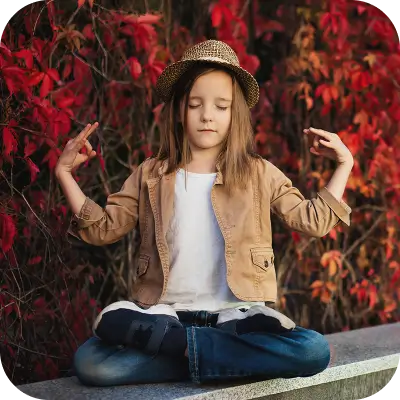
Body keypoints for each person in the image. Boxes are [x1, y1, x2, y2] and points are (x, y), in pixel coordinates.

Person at [55, 40, 353, 386]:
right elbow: (102, 229)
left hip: (237, 318)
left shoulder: (258, 172)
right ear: (179, 109)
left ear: (234, 113)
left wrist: (345, 164)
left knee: (313, 350)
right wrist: (64, 174)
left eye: (221, 106)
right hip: (167, 318)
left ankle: (183, 354)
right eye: (195, 104)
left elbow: (312, 220)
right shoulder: (152, 173)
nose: (207, 115)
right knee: (91, 363)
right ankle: (204, 354)